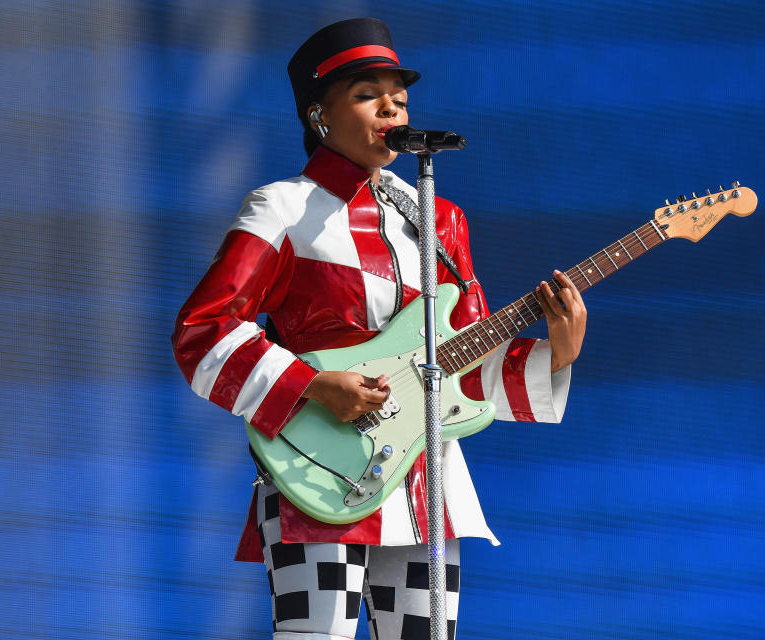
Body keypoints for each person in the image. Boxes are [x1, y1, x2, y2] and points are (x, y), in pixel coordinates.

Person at [172, 17, 586, 640]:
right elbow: (202, 331)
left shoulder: (439, 219)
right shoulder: (282, 208)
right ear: (319, 115)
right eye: (369, 93)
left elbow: (460, 365)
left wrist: (559, 351)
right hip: (320, 474)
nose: (392, 105)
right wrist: (313, 385)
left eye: (400, 95)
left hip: (425, 480)